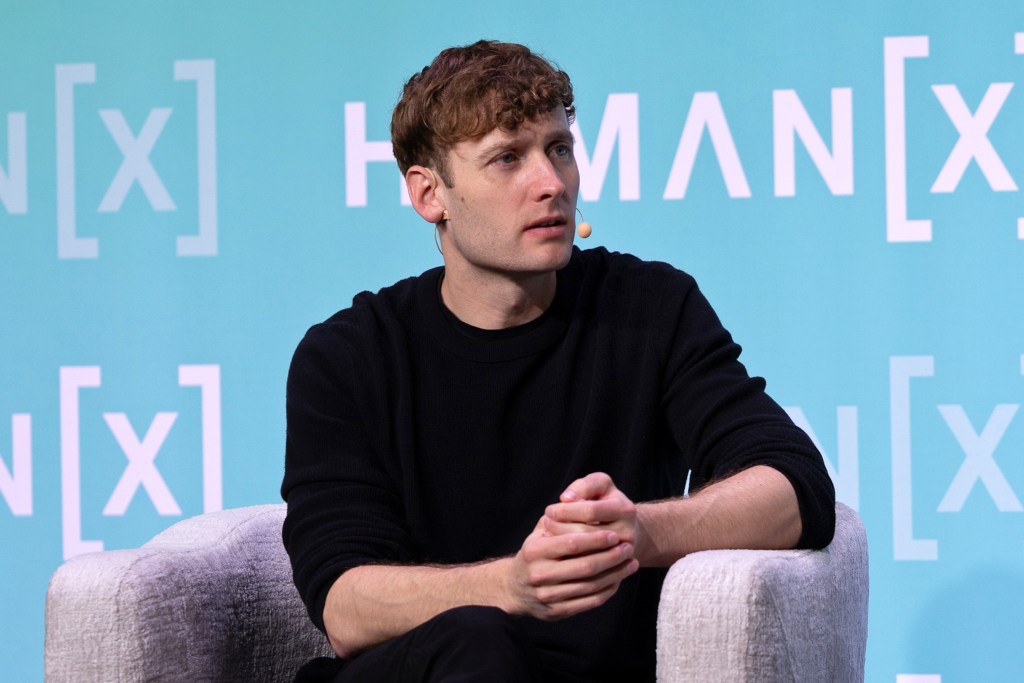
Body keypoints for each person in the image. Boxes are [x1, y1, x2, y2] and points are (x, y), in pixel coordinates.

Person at [281, 40, 836, 682]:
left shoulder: (648, 310)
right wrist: (513, 586)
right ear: (430, 194)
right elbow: (344, 605)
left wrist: (635, 533)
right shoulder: (348, 356)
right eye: (507, 159)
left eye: (559, 149)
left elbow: (797, 488)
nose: (550, 184)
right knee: (476, 640)